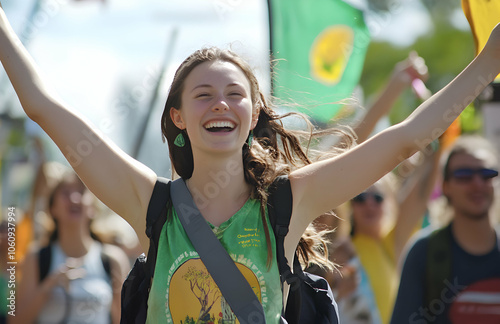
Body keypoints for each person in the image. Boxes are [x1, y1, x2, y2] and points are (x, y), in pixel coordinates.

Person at [1, 3, 500, 322]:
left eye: (234, 94)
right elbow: (43, 106)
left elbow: (406, 139)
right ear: (177, 115)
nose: (220, 103)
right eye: (203, 94)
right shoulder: (149, 204)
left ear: (255, 110)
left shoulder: (289, 202)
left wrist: (487, 62)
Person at [390, 135, 500, 324]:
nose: (477, 183)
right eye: (464, 175)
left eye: (487, 173)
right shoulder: (424, 252)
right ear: (446, 187)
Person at [13, 172, 130, 324]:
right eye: (65, 193)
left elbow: (124, 319)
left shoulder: (114, 260)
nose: (74, 199)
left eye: (81, 192)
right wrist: (48, 287)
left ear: (93, 208)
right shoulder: (36, 257)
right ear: (52, 209)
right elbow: (15, 320)